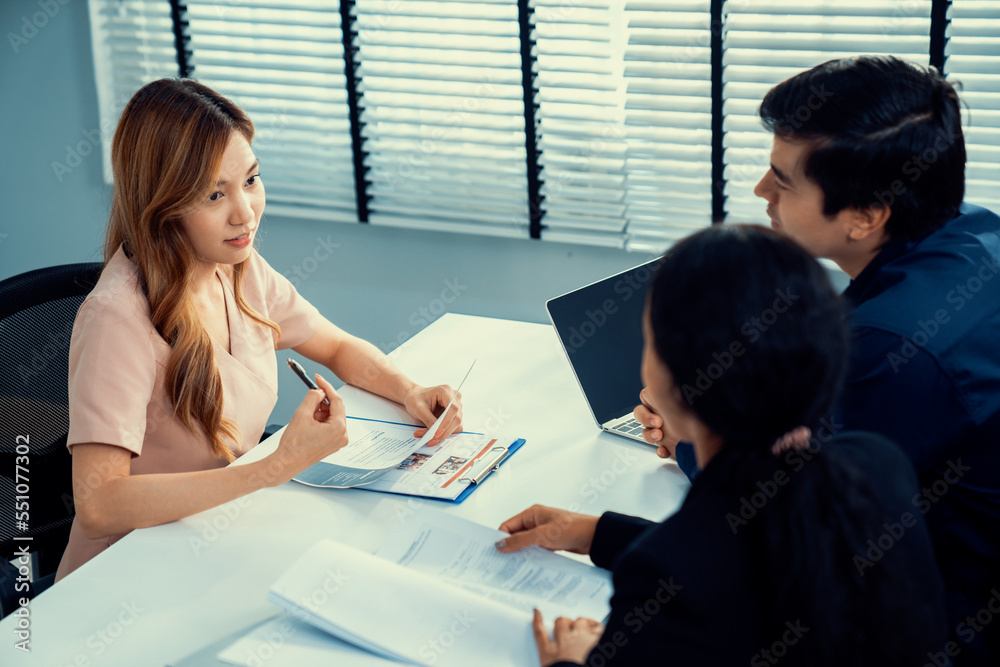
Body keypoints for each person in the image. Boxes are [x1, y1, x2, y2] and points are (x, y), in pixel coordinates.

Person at [633, 56, 1000, 663]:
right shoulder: (972, 229)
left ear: (867, 216)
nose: (760, 192)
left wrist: (692, 435)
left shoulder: (894, 346)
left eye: (784, 180)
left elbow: (786, 512)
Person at [55, 79, 463, 580]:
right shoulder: (115, 321)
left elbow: (334, 345)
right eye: (213, 194)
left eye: (250, 179)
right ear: (163, 207)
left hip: (217, 536)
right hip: (127, 572)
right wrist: (272, 468)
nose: (245, 212)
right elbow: (99, 504)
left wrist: (410, 390)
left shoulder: (236, 267)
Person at [498, 224, 947, 666]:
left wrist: (570, 661)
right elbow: (752, 555)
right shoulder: (878, 464)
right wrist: (596, 533)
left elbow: (707, 564)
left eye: (650, 343)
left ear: (673, 383)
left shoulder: (664, 577)